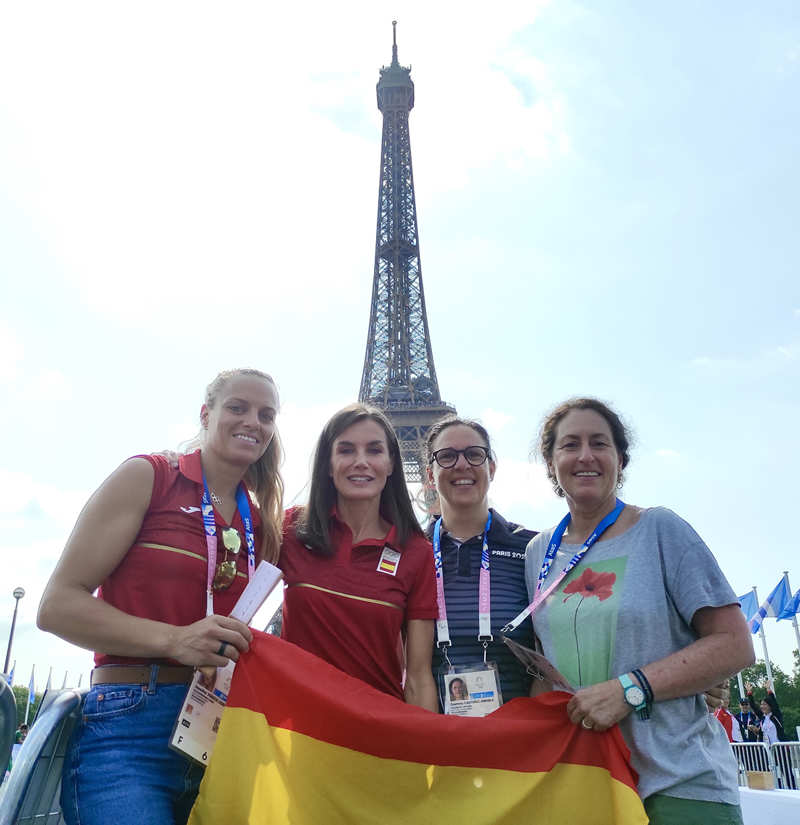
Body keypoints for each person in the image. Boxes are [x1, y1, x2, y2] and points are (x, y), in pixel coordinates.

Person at [37, 368, 284, 825]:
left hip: (226, 734)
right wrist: (175, 640)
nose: (253, 420)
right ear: (206, 414)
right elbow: (56, 607)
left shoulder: (263, 521)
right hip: (131, 722)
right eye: (237, 407)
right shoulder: (149, 477)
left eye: (266, 414)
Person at [523, 397, 754, 825]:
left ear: (620, 458)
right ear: (550, 461)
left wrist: (631, 688)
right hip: (587, 784)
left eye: (600, 443)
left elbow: (735, 645)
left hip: (676, 783)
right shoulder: (538, 553)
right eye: (570, 444)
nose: (585, 455)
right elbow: (547, 670)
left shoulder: (661, 529)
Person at [279, 403, 438, 711]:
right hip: (298, 727)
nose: (361, 462)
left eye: (375, 451)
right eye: (347, 450)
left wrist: (426, 756)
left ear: (392, 463)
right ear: (328, 463)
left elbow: (418, 678)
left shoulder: (417, 554)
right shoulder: (292, 529)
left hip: (374, 736)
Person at [424, 417, 536, 711]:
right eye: (447, 456)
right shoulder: (411, 552)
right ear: (429, 475)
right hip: (437, 742)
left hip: (520, 739)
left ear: (492, 468)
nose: (462, 465)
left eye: (474, 454)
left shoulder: (533, 548)